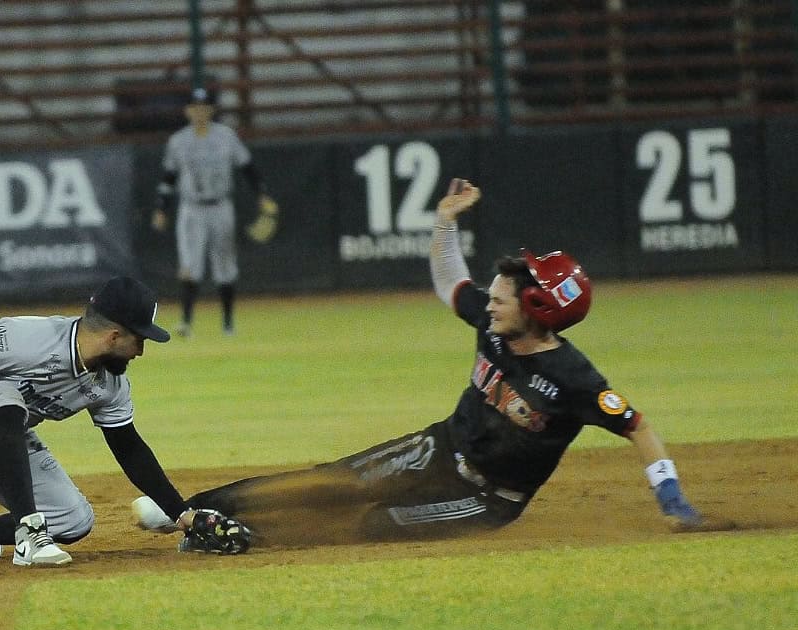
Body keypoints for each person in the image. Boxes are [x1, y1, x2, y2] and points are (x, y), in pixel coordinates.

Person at [134, 178, 711, 551]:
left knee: (372, 524)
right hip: (440, 446)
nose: (491, 298)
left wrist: (672, 498)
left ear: (536, 309)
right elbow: (449, 281)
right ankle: (188, 511)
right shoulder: (492, 322)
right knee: (333, 482)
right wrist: (444, 222)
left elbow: (637, 426)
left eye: (505, 294)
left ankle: (234, 538)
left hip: (487, 500)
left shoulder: (574, 380)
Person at [0, 276, 242, 566]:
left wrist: (181, 514)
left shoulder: (110, 384)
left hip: (2, 435)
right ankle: (29, 537)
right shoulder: (31, 339)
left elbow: (128, 447)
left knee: (72, 519)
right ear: (114, 336)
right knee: (6, 397)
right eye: (140, 339)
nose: (141, 351)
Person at [151, 87, 276, 337]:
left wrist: (262, 195)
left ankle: (228, 323)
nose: (199, 112)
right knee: (190, 265)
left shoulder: (225, 137)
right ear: (188, 111)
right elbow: (169, 178)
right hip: (192, 209)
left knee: (225, 264)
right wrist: (161, 208)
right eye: (195, 107)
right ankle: (186, 322)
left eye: (204, 107)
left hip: (220, 206)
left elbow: (248, 168)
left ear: (211, 110)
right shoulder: (179, 141)